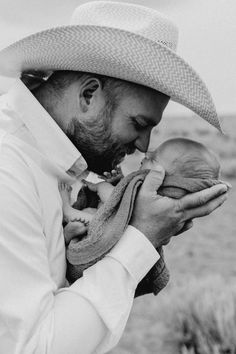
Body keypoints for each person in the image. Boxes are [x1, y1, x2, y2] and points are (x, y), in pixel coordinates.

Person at [0, 2, 229, 354]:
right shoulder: (8, 168)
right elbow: (36, 348)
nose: (143, 146)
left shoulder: (59, 163)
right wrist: (139, 237)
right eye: (139, 124)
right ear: (89, 95)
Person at [60, 137, 221, 246]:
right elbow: (123, 197)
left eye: (152, 158)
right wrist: (119, 180)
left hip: (102, 235)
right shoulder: (150, 196)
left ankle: (68, 212)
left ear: (164, 177)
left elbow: (114, 199)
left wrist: (100, 186)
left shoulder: (147, 198)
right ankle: (70, 235)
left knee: (90, 217)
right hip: (105, 232)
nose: (145, 155)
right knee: (89, 214)